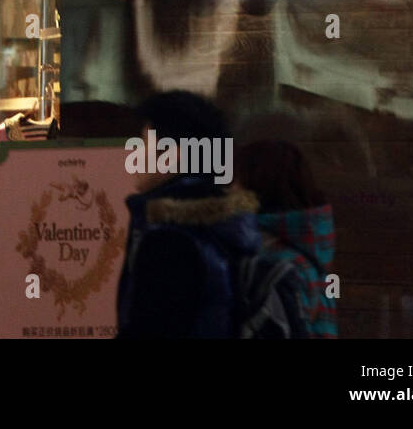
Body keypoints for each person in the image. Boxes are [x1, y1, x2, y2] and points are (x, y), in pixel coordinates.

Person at [116, 90, 259, 338]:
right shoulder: (224, 227)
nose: (133, 156)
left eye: (142, 144)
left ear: (173, 154)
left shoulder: (170, 238)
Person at [236, 140, 338, 338]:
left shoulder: (274, 261)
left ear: (256, 186)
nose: (229, 189)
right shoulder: (311, 254)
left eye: (235, 180)